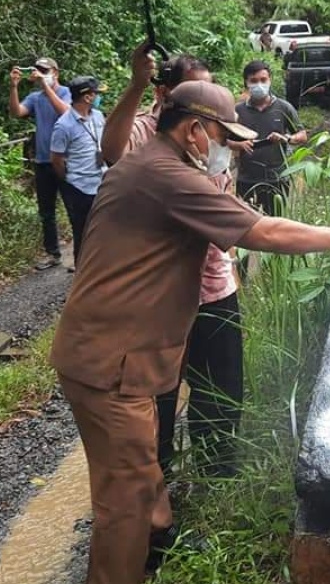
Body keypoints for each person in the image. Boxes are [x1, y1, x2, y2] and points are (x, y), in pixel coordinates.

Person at [50, 54, 330, 584]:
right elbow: (266, 233)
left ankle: (160, 533)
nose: (229, 145)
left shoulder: (144, 168)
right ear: (193, 131)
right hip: (110, 363)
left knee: (142, 469)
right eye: (221, 134)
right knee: (122, 506)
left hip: (105, 353)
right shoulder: (168, 175)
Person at [101, 53, 243, 480]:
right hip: (159, 298)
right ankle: (155, 488)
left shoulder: (216, 137)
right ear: (166, 96)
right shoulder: (146, 134)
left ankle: (217, 476)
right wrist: (135, 84)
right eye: (196, 96)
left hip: (214, 285)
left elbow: (228, 202)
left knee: (221, 389)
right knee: (157, 394)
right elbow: (111, 151)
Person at [9, 57, 71, 270]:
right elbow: (17, 112)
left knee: (75, 207)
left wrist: (46, 85)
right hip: (43, 161)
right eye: (38, 70)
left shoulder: (66, 93)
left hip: (66, 160)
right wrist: (14, 86)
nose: (41, 73)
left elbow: (66, 113)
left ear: (56, 72)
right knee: (46, 211)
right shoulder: (35, 98)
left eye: (45, 70)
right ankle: (53, 253)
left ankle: (83, 255)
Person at [231, 59, 308, 216]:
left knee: (275, 224)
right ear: (246, 83)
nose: (259, 84)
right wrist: (238, 145)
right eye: (253, 81)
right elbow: (221, 139)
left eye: (263, 80)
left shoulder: (284, 107)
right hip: (247, 179)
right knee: (247, 225)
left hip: (277, 179)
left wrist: (286, 138)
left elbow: (302, 135)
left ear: (270, 80)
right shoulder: (237, 111)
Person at [49, 75, 108, 268]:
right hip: (79, 187)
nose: (99, 97)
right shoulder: (63, 125)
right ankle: (82, 280)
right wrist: (68, 179)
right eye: (96, 94)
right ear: (87, 97)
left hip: (102, 182)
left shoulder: (98, 116)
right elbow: (56, 159)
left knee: (104, 232)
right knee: (82, 235)